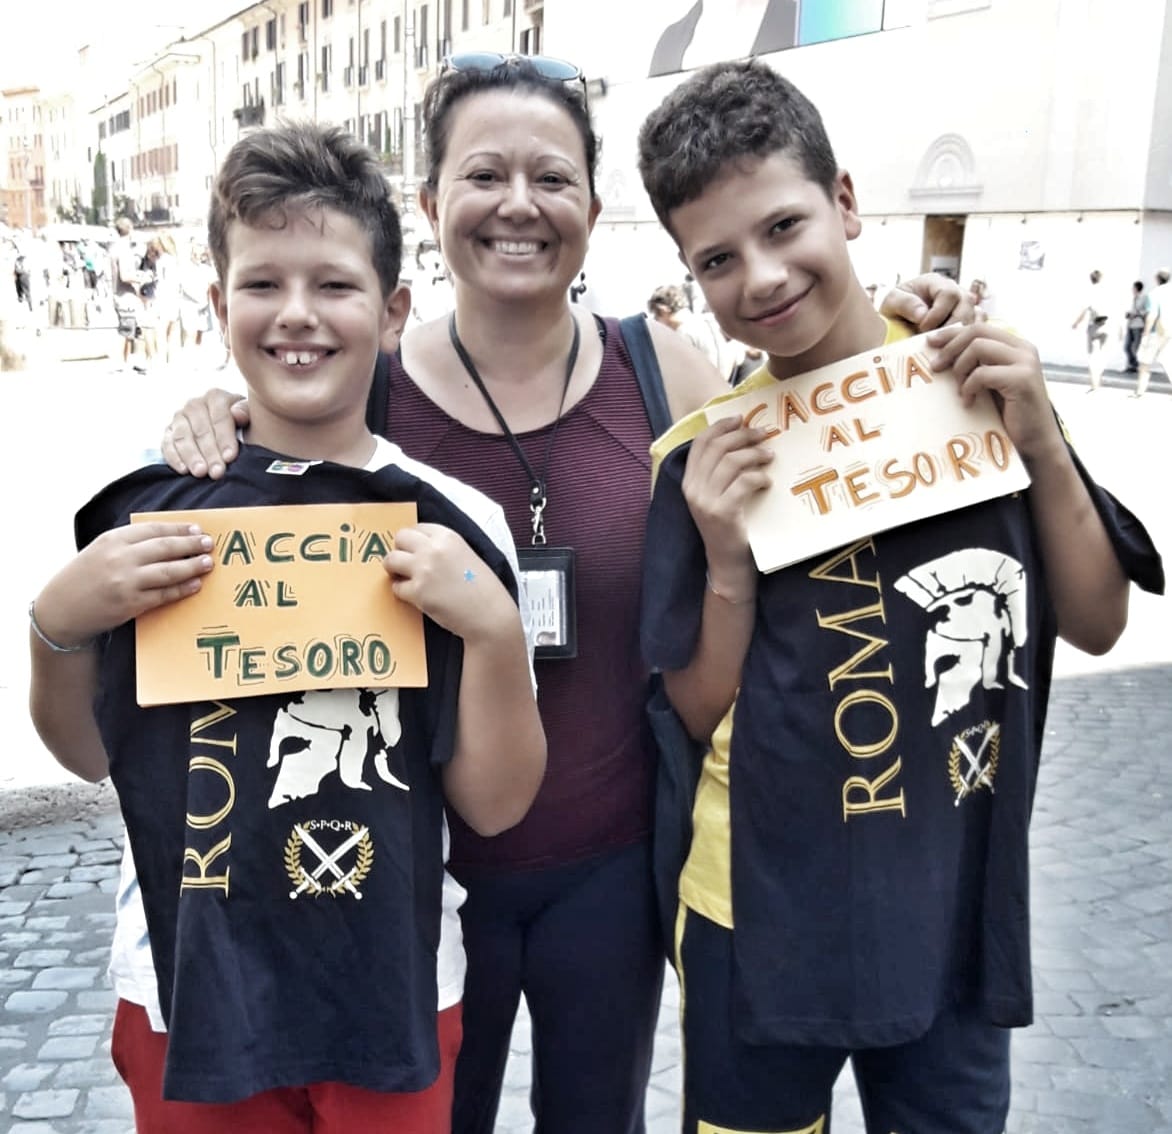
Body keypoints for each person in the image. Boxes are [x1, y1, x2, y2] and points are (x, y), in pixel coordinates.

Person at [161, 56, 977, 1134]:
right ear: (430, 205)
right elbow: (277, 409)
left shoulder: (668, 373)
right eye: (482, 175)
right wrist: (209, 412)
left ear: (593, 209)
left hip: (613, 871)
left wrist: (915, 328)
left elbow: (821, 415)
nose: (517, 204)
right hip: (419, 881)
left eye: (551, 177)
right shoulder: (370, 388)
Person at [635, 59, 1165, 1134]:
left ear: (844, 200)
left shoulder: (974, 385)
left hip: (948, 893)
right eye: (718, 259)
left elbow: (1100, 620)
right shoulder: (701, 460)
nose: (762, 277)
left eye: (784, 226)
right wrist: (727, 562)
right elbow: (689, 710)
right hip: (755, 906)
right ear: (690, 274)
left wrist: (1040, 445)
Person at [28, 120, 545, 1134]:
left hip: (394, 985)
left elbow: (495, 804)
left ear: (391, 311)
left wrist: (491, 632)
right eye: (263, 283)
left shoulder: (456, 525)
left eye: (334, 284)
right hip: (184, 983)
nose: (297, 313)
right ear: (220, 305)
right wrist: (55, 626)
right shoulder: (149, 509)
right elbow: (90, 754)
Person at [1135, 267, 1171, 398]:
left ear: (1157, 278)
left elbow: (1152, 315)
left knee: (1145, 362)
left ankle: (1140, 391)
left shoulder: (1155, 293)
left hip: (1157, 332)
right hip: (1170, 332)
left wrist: (1146, 333)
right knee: (1168, 361)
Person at [1071, 268, 1109, 392]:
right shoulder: (1107, 291)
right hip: (1106, 325)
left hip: (1094, 326)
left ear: (1091, 279)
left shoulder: (1091, 292)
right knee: (1102, 354)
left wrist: (1076, 323)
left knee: (1092, 356)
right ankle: (1099, 380)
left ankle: (1094, 384)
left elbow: (1084, 311)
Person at [1123, 279, 1149, 374]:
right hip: (1130, 325)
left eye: (1133, 288)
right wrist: (1129, 314)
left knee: (1136, 348)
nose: (1132, 289)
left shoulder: (1144, 298)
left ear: (1137, 288)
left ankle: (1134, 367)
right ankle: (1134, 364)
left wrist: (1136, 314)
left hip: (1138, 325)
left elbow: (1146, 311)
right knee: (1126, 347)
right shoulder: (1133, 298)